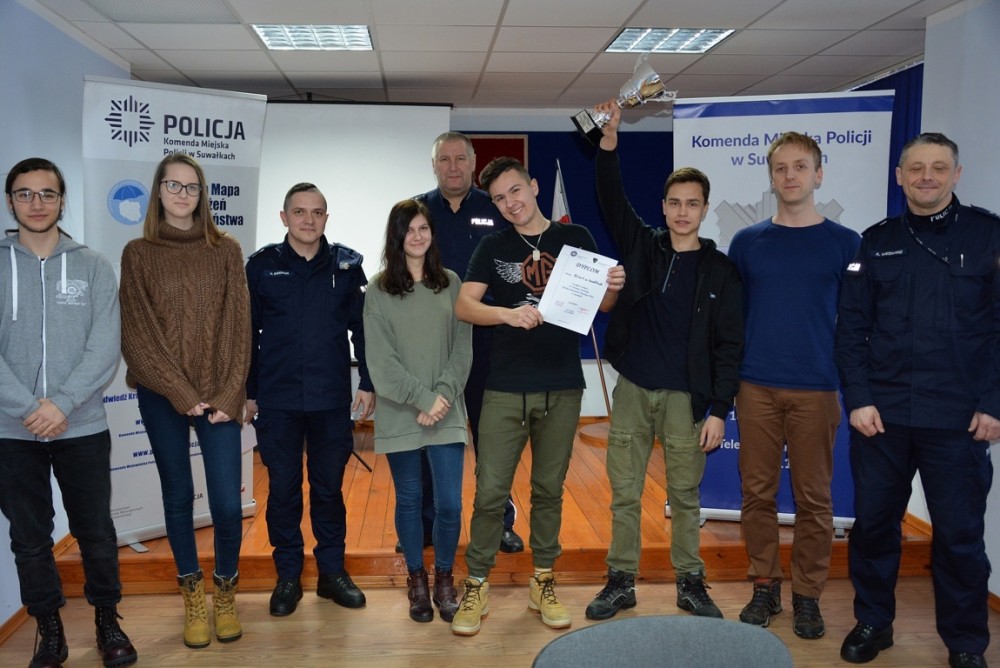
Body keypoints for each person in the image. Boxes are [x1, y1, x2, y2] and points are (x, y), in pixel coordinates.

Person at [835, 133, 997, 668]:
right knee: (874, 527)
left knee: (959, 538)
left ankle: (966, 644)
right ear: (900, 176)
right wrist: (858, 399)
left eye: (939, 167)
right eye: (917, 168)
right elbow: (851, 328)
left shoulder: (988, 236)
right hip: (882, 418)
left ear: (956, 174)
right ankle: (874, 621)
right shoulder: (876, 240)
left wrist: (995, 403)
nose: (927, 176)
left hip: (958, 420)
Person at [450, 156, 624, 636]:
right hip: (505, 387)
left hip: (562, 386)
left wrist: (613, 286)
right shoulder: (493, 245)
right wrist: (507, 314)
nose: (510, 203)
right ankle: (477, 583)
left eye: (515, 191)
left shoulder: (576, 237)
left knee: (549, 490)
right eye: (499, 199)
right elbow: (464, 306)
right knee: (490, 492)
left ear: (534, 186)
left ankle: (543, 580)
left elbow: (603, 305)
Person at [584, 101, 744, 622]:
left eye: (692, 204)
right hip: (633, 390)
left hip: (686, 401)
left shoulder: (721, 271)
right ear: (664, 205)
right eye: (674, 202)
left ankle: (690, 584)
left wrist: (719, 409)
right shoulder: (643, 246)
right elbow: (611, 196)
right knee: (624, 494)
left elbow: (729, 346)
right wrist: (609, 143)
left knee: (685, 497)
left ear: (704, 209)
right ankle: (620, 582)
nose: (682, 212)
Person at [0, 158, 137, 668]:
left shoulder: (93, 266)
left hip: (81, 425)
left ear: (62, 201)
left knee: (96, 530)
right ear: (10, 201)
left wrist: (60, 403)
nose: (36, 203)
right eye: (25, 193)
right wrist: (27, 407)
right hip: (11, 430)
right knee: (30, 539)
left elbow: (105, 346)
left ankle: (107, 620)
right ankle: (49, 628)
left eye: (47, 194)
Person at [727, 132, 860, 639]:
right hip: (755, 386)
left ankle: (807, 595)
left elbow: (857, 321)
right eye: (781, 168)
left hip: (818, 388)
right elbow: (732, 318)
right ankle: (765, 586)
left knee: (814, 499)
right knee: (756, 493)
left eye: (800, 167)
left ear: (818, 175)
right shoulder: (747, 242)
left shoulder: (846, 244)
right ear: (771, 177)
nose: (790, 176)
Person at [119, 153, 251, 649]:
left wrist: (228, 392)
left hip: (219, 396)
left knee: (227, 504)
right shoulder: (138, 253)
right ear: (158, 191)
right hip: (161, 395)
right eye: (173, 185)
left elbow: (239, 326)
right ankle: (193, 598)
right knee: (177, 496)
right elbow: (138, 334)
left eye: (191, 187)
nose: (182, 194)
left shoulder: (225, 250)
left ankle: (225, 595)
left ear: (202, 195)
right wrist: (180, 391)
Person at [244, 182, 375, 618]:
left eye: (317, 212)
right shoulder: (262, 267)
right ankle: (287, 576)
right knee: (282, 490)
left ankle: (332, 573)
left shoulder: (346, 266)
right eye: (299, 212)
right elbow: (247, 334)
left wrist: (368, 381)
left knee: (328, 490)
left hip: (329, 400)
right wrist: (248, 392)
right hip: (277, 399)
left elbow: (363, 330)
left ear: (326, 218)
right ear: (284, 217)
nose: (308, 220)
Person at [412, 131, 523, 554]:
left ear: (474, 162)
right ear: (433, 165)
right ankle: (426, 524)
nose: (453, 166)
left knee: (492, 439)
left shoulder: (496, 208)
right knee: (429, 435)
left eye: (461, 158)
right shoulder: (416, 212)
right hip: (433, 344)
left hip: (488, 342)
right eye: (445, 159)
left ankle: (499, 523)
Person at [363, 199, 472, 623]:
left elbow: (462, 349)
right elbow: (381, 362)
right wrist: (423, 399)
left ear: (432, 233)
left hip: (447, 409)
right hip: (401, 410)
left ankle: (444, 578)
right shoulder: (378, 290)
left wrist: (440, 396)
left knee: (449, 504)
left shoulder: (452, 282)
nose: (417, 236)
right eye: (408, 229)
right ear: (396, 236)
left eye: (423, 228)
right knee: (409, 501)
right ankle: (417, 581)